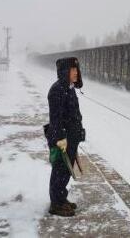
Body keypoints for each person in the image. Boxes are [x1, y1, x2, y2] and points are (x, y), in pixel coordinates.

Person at [46, 57, 86, 217]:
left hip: (71, 137)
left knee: (66, 171)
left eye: (77, 70)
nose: (76, 73)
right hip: (62, 138)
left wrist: (80, 131)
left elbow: (74, 114)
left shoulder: (69, 88)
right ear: (64, 71)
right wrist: (60, 138)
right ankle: (56, 204)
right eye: (73, 70)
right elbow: (56, 119)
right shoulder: (57, 90)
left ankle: (61, 198)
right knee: (60, 170)